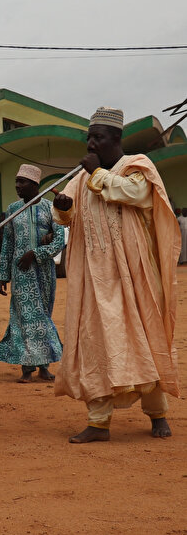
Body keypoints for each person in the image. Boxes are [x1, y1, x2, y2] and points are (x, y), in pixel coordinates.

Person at [52, 107, 181, 443]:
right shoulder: (80, 178)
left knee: (144, 339)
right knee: (95, 343)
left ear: (116, 139)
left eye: (98, 137)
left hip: (134, 274)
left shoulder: (137, 166)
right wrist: (64, 207)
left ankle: (157, 414)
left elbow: (134, 194)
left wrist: (97, 175)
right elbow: (66, 219)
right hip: (93, 278)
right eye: (89, 137)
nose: (91, 143)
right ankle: (98, 422)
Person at [0, 164, 64, 383]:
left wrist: (35, 253)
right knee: (23, 318)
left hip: (44, 273)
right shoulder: (12, 209)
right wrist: (3, 274)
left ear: (35, 185)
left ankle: (44, 367)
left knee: (43, 317)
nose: (17, 186)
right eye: (16, 181)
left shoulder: (50, 209)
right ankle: (27, 369)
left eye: (22, 182)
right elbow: (7, 243)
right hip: (20, 274)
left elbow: (59, 240)